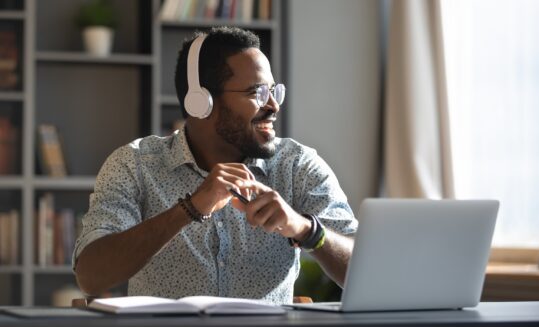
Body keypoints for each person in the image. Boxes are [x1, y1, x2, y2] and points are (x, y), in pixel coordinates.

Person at [73, 26, 358, 305]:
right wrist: (189, 209)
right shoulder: (135, 164)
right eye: (257, 92)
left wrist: (307, 229)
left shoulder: (297, 166)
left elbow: (367, 267)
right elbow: (90, 276)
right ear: (202, 102)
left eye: (274, 91)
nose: (273, 105)